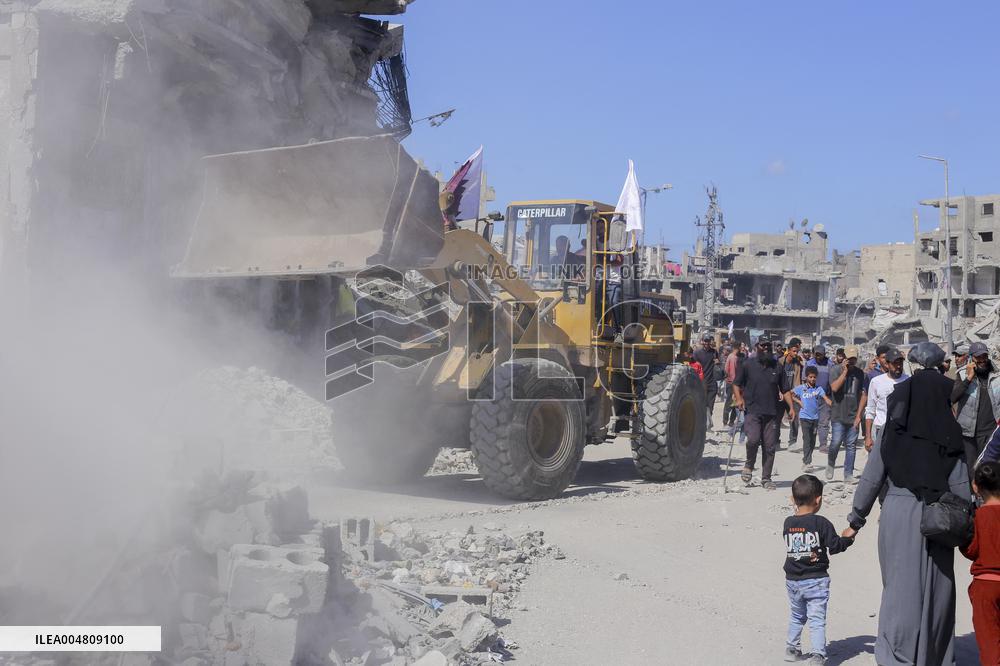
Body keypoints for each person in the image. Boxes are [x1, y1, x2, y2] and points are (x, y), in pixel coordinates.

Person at [844, 341, 970, 666]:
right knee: (938, 592)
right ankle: (935, 657)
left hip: (898, 515)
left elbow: (872, 478)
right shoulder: (950, 432)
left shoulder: (891, 431)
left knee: (899, 591)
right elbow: (960, 487)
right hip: (939, 518)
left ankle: (897, 658)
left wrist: (855, 519)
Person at [783, 474, 854, 664]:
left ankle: (791, 649)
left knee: (797, 615)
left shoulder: (788, 523)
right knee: (816, 619)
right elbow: (835, 546)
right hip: (815, 580)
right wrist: (848, 537)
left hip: (792, 580)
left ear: (793, 500)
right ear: (818, 500)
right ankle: (817, 655)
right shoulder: (821, 523)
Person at [733, 335, 793, 490]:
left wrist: (791, 408)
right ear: (756, 347)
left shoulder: (777, 366)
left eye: (768, 345)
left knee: (770, 446)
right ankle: (749, 465)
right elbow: (736, 384)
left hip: (772, 413)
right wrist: (739, 399)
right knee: (752, 440)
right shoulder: (747, 364)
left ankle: (766, 478)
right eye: (762, 345)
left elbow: (785, 389)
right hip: (752, 410)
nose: (765, 348)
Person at [961, 460, 1000, 665]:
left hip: (986, 585)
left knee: (990, 644)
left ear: (975, 486)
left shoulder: (978, 517)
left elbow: (971, 550)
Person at [951, 341, 1000, 481]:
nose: (982, 360)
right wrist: (968, 378)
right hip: (969, 433)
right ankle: (974, 500)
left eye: (984, 356)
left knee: (991, 469)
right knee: (972, 470)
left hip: (991, 431)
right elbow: (953, 398)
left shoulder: (997, 375)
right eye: (978, 357)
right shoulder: (961, 375)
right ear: (971, 358)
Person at [827, 346, 866, 485]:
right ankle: (831, 462)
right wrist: (844, 372)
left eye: (854, 359)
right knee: (836, 442)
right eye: (849, 358)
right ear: (844, 357)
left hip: (853, 415)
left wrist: (859, 415)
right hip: (838, 414)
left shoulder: (861, 374)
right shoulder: (835, 370)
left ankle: (848, 473)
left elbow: (863, 395)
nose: (851, 361)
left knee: (851, 445)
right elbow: (834, 388)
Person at [864, 347, 908, 456]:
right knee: (879, 465)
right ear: (887, 364)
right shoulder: (876, 382)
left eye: (900, 363)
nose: (898, 366)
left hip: (901, 430)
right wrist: (868, 437)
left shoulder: (908, 380)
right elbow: (870, 410)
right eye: (895, 363)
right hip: (881, 430)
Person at [791, 367, 832, 472]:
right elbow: (791, 394)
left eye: (814, 377)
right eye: (810, 377)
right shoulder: (801, 388)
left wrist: (833, 406)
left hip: (815, 418)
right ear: (806, 377)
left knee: (813, 441)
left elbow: (826, 399)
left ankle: (807, 460)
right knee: (807, 439)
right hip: (804, 417)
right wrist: (799, 402)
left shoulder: (818, 389)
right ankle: (806, 462)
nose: (813, 379)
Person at [806, 345, 834, 454]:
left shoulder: (830, 364)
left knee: (824, 422)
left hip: (825, 397)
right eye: (816, 354)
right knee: (810, 421)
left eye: (820, 354)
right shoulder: (809, 363)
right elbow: (805, 380)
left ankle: (823, 445)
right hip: (811, 396)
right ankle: (809, 443)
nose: (818, 356)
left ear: (824, 354)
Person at [779, 338, 805, 448]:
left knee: (794, 417)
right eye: (794, 351)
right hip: (781, 394)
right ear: (788, 350)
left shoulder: (798, 364)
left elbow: (798, 380)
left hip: (793, 395)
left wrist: (796, 392)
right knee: (777, 418)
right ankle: (776, 441)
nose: (796, 353)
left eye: (797, 351)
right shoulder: (780, 362)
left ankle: (792, 442)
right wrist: (779, 391)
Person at [693, 333, 720, 430]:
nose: (707, 343)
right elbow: (694, 368)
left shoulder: (714, 352)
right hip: (700, 382)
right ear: (702, 341)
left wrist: (718, 362)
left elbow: (717, 364)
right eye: (705, 341)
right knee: (700, 404)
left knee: (710, 405)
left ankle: (706, 425)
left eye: (708, 341)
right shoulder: (697, 353)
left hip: (712, 382)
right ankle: (699, 425)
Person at [724, 343, 745, 426]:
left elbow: (726, 369)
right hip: (732, 383)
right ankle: (726, 421)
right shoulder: (732, 357)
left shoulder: (738, 357)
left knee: (735, 402)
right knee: (730, 402)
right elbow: (726, 370)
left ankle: (730, 422)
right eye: (741, 346)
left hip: (736, 383)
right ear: (738, 347)